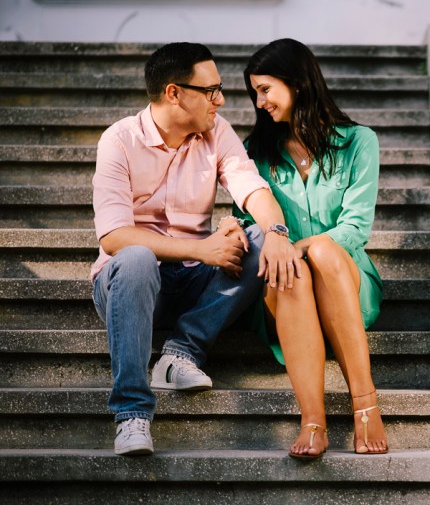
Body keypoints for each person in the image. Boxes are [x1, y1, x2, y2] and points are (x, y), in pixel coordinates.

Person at [91, 42, 301, 457]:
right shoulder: (119, 140)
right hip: (129, 286)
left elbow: (252, 188)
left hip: (192, 281)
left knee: (259, 238)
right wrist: (202, 249)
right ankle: (132, 413)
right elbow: (113, 236)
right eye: (211, 91)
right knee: (136, 257)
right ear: (174, 93)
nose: (220, 100)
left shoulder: (216, 131)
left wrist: (277, 232)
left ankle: (179, 354)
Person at [227, 38, 387, 458]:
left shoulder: (359, 142)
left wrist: (297, 246)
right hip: (284, 291)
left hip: (345, 282)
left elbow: (355, 228)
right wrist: (238, 230)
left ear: (297, 83)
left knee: (321, 252)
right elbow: (248, 220)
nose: (259, 102)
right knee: (290, 268)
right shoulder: (255, 152)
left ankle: (366, 404)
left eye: (265, 89)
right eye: (254, 93)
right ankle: (313, 419)